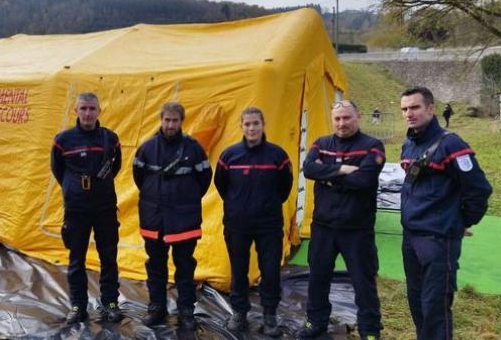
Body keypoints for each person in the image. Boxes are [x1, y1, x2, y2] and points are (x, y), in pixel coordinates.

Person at [399, 87, 491, 340]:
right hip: (411, 237)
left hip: (438, 240)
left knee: (435, 308)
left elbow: (479, 190)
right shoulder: (409, 143)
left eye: (415, 107)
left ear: (430, 108)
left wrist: (459, 221)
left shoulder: (451, 144)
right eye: (405, 109)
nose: (409, 113)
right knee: (417, 304)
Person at [297, 100, 385, 340]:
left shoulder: (372, 146)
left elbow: (364, 180)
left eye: (347, 118)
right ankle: (315, 322)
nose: (342, 123)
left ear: (358, 118)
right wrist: (344, 171)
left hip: (356, 228)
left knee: (362, 281)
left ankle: (370, 330)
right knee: (318, 277)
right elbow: (308, 169)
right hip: (324, 226)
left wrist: (327, 176)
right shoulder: (321, 143)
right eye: (337, 119)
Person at [214, 107, 293, 337]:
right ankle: (239, 313)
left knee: (270, 271)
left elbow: (284, 187)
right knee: (238, 270)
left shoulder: (278, 155)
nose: (251, 128)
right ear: (241, 126)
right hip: (237, 225)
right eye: (247, 124)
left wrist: (267, 204)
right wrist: (237, 205)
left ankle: (270, 316)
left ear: (263, 125)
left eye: (255, 123)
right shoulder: (229, 156)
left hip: (269, 225)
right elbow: (221, 185)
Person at [133, 102, 212, 330]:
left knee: (185, 267)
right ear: (161, 120)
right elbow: (139, 177)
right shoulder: (147, 148)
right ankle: (157, 308)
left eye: (174, 120)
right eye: (166, 120)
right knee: (155, 267)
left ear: (181, 122)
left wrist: (185, 199)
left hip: (184, 220)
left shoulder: (194, 149)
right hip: (154, 219)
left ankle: (186, 310)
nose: (170, 125)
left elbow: (204, 178)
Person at [51, 92, 123, 324]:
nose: (88, 113)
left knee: (109, 257)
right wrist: (75, 188)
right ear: (76, 111)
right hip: (76, 209)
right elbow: (58, 170)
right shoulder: (62, 140)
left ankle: (110, 303)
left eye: (92, 108)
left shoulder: (111, 138)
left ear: (99, 111)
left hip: (104, 207)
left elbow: (116, 166)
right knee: (76, 259)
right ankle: (77, 305)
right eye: (83, 108)